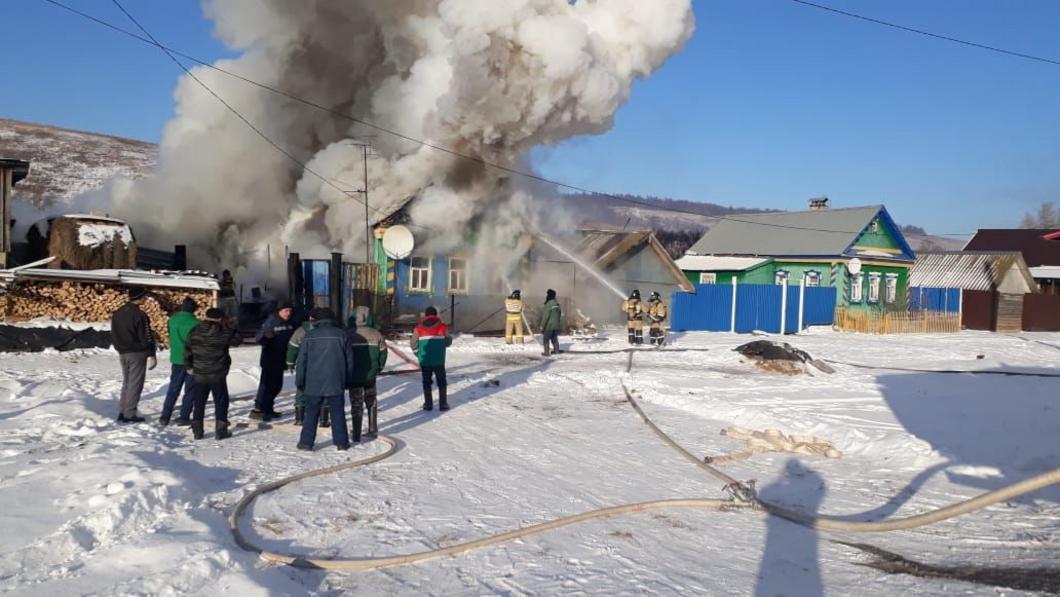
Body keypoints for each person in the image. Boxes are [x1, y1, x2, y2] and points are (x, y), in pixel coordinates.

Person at [295, 307, 353, 451]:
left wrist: (300, 381)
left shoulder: (309, 335)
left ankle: (306, 443)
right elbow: (349, 361)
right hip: (336, 382)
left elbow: (301, 361)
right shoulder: (342, 335)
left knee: (311, 414)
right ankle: (341, 443)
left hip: (313, 383)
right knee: (338, 413)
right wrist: (347, 380)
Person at [183, 308, 242, 440]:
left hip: (199, 372)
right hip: (218, 373)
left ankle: (197, 431)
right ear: (221, 318)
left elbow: (187, 349)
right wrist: (230, 326)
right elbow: (237, 340)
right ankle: (221, 431)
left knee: (199, 402)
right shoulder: (224, 331)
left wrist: (189, 366)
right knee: (221, 401)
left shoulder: (195, 330)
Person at [110, 286, 157, 423]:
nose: (146, 299)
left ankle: (123, 410)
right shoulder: (140, 315)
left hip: (122, 352)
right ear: (141, 297)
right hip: (137, 352)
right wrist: (151, 353)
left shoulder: (117, 313)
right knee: (135, 383)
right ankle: (130, 414)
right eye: (145, 297)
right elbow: (146, 336)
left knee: (127, 382)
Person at [347, 306, 388, 442]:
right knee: (371, 400)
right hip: (370, 375)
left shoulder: (348, 334)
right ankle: (372, 429)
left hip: (354, 376)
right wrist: (379, 367)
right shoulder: (376, 334)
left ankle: (356, 434)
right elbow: (383, 353)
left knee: (356, 403)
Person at [251, 302, 295, 421]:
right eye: (286, 311)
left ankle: (268, 408)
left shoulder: (289, 323)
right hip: (270, 358)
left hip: (281, 358)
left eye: (290, 311)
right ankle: (258, 409)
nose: (288, 313)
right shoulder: (271, 322)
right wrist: (266, 337)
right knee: (266, 385)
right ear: (279, 311)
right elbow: (258, 338)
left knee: (276, 386)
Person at [159, 298, 199, 426]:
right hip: (192, 360)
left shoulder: (172, 320)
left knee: (173, 389)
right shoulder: (197, 323)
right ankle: (184, 416)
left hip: (176, 358)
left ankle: (165, 416)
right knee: (190, 390)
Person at [287, 316, 329, 428]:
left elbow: (292, 347)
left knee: (302, 390)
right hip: (323, 365)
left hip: (304, 365)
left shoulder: (300, 331)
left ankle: (299, 418)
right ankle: (323, 420)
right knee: (324, 391)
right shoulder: (326, 331)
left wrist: (290, 362)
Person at [410, 306, 452, 411]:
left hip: (425, 360)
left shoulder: (418, 328)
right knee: (441, 381)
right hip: (439, 360)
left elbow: (413, 344)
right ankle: (443, 404)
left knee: (426, 382)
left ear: (425, 315)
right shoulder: (443, 327)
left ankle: (428, 404)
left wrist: (418, 354)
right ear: (436, 315)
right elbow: (448, 342)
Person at [539, 288, 562, 356]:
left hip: (549, 325)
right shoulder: (557, 304)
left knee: (546, 339)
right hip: (556, 325)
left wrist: (542, 326)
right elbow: (559, 314)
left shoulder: (549, 304)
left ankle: (546, 353)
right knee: (554, 339)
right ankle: (556, 351)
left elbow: (546, 316)